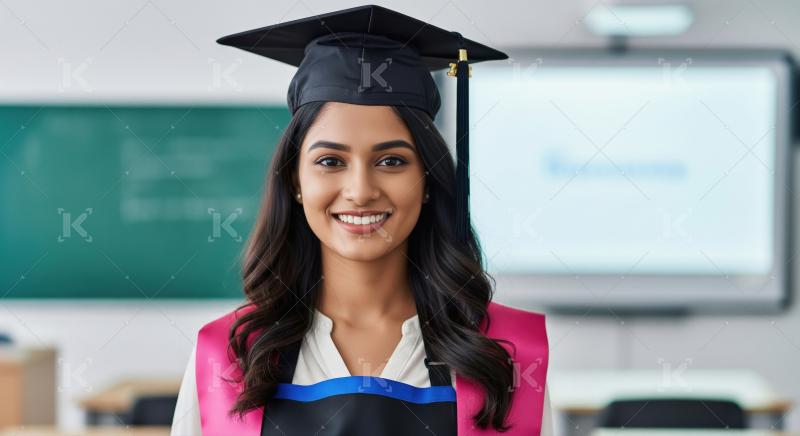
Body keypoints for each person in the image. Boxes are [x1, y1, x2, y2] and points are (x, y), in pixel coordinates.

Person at [171, 5, 552, 435]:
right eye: (330, 160)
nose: (360, 190)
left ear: (427, 180)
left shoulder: (505, 353)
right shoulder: (230, 354)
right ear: (295, 181)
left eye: (391, 160)